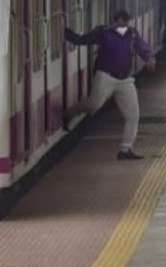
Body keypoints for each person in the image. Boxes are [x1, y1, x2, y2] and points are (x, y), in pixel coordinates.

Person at [63, 10, 155, 160]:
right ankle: (70, 113)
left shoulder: (132, 34)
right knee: (93, 105)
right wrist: (66, 32)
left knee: (133, 115)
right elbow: (82, 40)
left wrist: (150, 58)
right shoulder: (103, 32)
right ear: (114, 20)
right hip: (105, 76)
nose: (122, 25)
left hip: (125, 79)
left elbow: (142, 47)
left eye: (125, 22)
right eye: (119, 21)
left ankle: (125, 149)